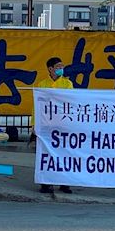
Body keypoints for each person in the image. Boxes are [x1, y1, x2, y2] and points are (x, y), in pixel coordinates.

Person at [34, 57, 74, 194]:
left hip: (63, 124)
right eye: (58, 67)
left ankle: (65, 183)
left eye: (62, 66)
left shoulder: (67, 83)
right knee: (46, 154)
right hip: (46, 125)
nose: (61, 69)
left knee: (65, 154)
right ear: (50, 69)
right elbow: (37, 106)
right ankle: (46, 183)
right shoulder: (42, 84)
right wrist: (34, 124)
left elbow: (69, 101)